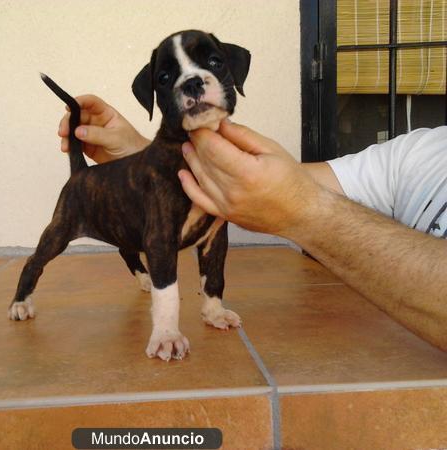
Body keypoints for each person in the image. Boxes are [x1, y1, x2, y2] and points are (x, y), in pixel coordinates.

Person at [58, 95, 447, 351]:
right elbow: (266, 189)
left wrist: (305, 212)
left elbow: (297, 199)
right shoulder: (422, 152)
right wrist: (145, 159)